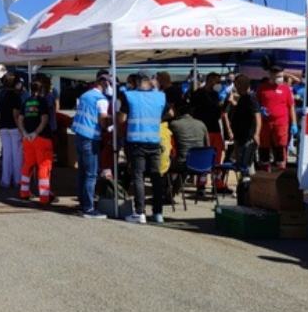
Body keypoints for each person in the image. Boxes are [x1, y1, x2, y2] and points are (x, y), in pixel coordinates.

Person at [120, 72, 167, 224]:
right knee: (156, 177)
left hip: (136, 141)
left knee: (138, 177)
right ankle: (158, 213)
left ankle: (140, 213)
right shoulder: (160, 96)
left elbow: (121, 118)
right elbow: (170, 112)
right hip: (154, 141)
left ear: (137, 82)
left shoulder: (129, 96)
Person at [72, 71, 112, 218]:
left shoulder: (85, 95)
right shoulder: (101, 100)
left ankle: (83, 204)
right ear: (104, 83)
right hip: (91, 137)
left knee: (82, 172)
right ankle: (88, 208)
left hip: (79, 135)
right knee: (91, 175)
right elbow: (102, 120)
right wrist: (110, 123)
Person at [191, 72, 229, 193]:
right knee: (204, 157)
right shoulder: (198, 94)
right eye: (216, 81)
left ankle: (217, 184)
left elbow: (218, 113)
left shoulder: (215, 94)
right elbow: (194, 110)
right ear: (210, 80)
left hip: (215, 129)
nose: (218, 84)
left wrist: (225, 104)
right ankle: (201, 184)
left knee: (217, 158)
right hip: (203, 129)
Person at [19, 79, 56, 205]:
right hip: (41, 138)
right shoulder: (42, 101)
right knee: (44, 166)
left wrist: (25, 133)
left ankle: (24, 192)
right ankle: (45, 196)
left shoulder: (26, 101)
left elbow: (20, 119)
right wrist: (36, 132)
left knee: (28, 165)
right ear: (42, 90)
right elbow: (44, 119)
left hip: (27, 139)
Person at [256, 65, 296, 171]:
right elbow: (256, 104)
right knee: (264, 145)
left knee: (281, 144)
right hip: (265, 123)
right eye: (278, 76)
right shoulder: (262, 88)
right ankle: (264, 166)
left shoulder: (286, 88)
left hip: (281, 122)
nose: (280, 78)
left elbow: (291, 106)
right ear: (271, 75)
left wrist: (294, 123)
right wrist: (260, 109)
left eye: (281, 76)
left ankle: (280, 166)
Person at [169, 101, 210, 198]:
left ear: (178, 112)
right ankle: (171, 193)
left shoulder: (174, 124)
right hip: (202, 164)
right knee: (183, 165)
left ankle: (167, 193)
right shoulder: (202, 124)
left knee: (162, 166)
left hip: (183, 163)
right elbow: (208, 146)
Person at [223, 74, 261, 174]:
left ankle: (249, 184)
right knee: (241, 164)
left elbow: (258, 116)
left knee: (247, 164)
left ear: (242, 85)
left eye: (237, 85)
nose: (235, 87)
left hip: (247, 137)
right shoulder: (242, 98)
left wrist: (256, 134)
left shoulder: (251, 98)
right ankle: (244, 184)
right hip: (239, 136)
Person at [0, 73, 23, 189]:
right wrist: (22, 129)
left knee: (6, 155)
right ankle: (17, 180)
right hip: (14, 127)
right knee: (17, 156)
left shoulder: (0, 94)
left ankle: (5, 180)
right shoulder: (16, 96)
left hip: (3, 126)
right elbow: (16, 115)